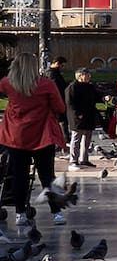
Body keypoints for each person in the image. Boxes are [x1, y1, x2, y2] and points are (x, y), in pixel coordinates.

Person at [2, 49, 68, 234]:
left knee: (19, 175)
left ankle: (20, 213)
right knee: (47, 176)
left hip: (16, 136)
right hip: (42, 135)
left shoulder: (7, 83)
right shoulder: (46, 85)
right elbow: (60, 107)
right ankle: (56, 213)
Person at [63, 64, 103, 172]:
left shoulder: (89, 86)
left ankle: (84, 159)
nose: (89, 77)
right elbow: (69, 103)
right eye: (86, 75)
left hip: (89, 115)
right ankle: (73, 160)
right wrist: (77, 114)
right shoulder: (72, 87)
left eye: (89, 75)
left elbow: (97, 96)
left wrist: (105, 98)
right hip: (77, 117)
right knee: (76, 138)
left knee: (87, 138)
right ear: (80, 76)